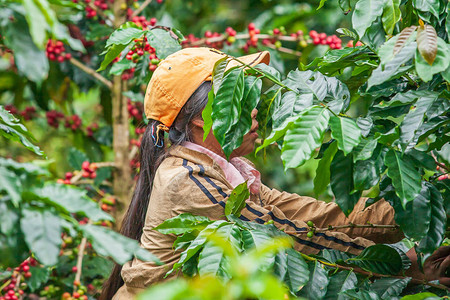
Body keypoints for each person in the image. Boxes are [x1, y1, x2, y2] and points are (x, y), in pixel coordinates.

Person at [101, 48, 450, 299]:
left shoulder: (226, 173)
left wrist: (419, 207)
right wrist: (401, 263)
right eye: (237, 99)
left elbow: (316, 216)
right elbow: (288, 235)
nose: (254, 111)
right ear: (199, 118)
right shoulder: (190, 180)